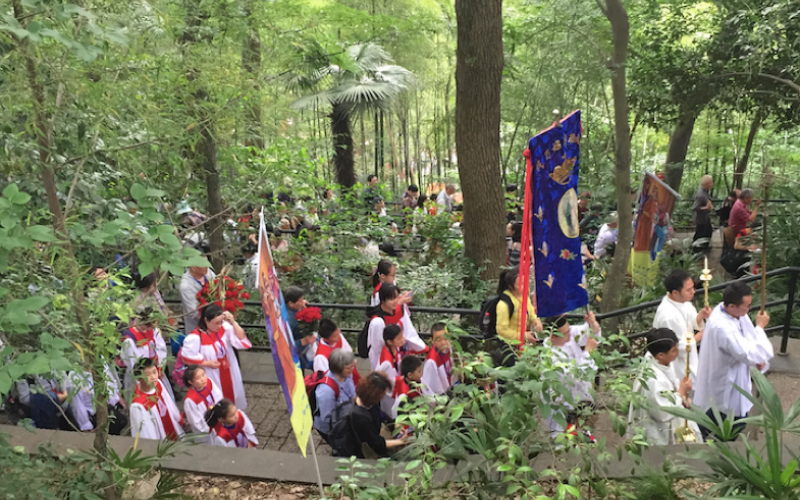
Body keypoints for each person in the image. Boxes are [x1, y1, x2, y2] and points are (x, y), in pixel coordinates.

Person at [694, 282, 773, 441]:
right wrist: (760, 328)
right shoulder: (724, 328)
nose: (749, 310)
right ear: (731, 306)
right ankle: (719, 447)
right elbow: (746, 353)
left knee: (717, 412)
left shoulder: (724, 310)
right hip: (727, 376)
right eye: (746, 306)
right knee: (734, 420)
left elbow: (746, 334)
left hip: (729, 371)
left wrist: (758, 357)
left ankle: (694, 436)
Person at [627, 328, 702, 445]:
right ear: (661, 355)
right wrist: (681, 393)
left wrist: (682, 399)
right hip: (657, 429)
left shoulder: (661, 362)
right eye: (673, 350)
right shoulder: (652, 379)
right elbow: (661, 411)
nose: (677, 352)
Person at [542, 313, 601, 439]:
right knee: (564, 438)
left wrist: (592, 322)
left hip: (581, 399)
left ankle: (583, 432)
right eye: (565, 334)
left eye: (568, 331)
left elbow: (590, 332)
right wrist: (587, 353)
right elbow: (574, 377)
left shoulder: (569, 334)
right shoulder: (550, 356)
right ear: (553, 336)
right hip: (563, 402)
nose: (569, 335)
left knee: (585, 426)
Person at [181, 305, 251, 410]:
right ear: (206, 320)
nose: (219, 326)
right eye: (216, 323)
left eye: (221, 322)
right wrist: (207, 364)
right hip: (211, 372)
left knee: (234, 391)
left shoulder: (224, 328)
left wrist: (233, 322)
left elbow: (241, 338)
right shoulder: (195, 338)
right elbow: (186, 358)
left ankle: (234, 414)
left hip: (229, 368)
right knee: (217, 396)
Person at [652, 269, 712, 382]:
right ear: (675, 292)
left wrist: (700, 316)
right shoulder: (667, 315)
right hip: (677, 362)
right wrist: (700, 335)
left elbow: (690, 322)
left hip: (689, 356)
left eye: (693, 288)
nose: (693, 292)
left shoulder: (684, 302)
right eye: (689, 290)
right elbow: (677, 346)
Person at [330, 371, 407, 458]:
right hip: (363, 447)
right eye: (382, 394)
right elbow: (376, 443)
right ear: (375, 395)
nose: (384, 396)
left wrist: (395, 424)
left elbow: (381, 416)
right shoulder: (361, 417)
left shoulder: (368, 401)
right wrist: (401, 441)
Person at [366, 283, 425, 371]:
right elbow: (377, 348)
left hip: (395, 352)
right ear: (383, 300)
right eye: (391, 298)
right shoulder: (377, 322)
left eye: (397, 297)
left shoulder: (394, 310)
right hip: (384, 358)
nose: (396, 301)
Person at [120, 308, 173, 400]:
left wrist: (160, 366)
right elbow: (134, 362)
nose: (152, 329)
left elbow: (160, 346)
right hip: (141, 374)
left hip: (155, 370)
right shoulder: (130, 338)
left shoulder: (152, 329)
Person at [129, 359, 184, 441]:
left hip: (169, 425)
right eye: (147, 374)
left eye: (154, 372)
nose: (153, 377)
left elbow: (169, 402)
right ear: (139, 378)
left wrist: (178, 418)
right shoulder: (138, 405)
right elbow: (144, 432)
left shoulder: (158, 383)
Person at [65, 366, 126, 435]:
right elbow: (78, 407)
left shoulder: (100, 363)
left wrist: (117, 395)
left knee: (124, 422)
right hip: (94, 415)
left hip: (111, 406)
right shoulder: (74, 380)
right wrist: (87, 427)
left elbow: (111, 381)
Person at [314, 349, 357, 438]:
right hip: (334, 427)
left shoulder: (347, 375)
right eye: (349, 367)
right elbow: (327, 418)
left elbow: (352, 394)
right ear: (339, 368)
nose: (352, 369)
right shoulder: (326, 391)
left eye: (353, 366)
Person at [495, 267, 541, 345]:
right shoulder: (504, 305)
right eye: (520, 284)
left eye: (525, 282)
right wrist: (524, 336)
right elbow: (501, 331)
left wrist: (535, 320)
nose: (525, 286)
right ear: (510, 287)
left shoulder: (524, 296)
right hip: (509, 345)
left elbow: (530, 311)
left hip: (522, 342)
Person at [182, 365, 223, 443]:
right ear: (191, 382)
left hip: (217, 418)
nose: (203, 379)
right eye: (198, 378)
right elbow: (195, 420)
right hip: (206, 428)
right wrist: (209, 427)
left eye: (203, 374)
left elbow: (218, 396)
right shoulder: (190, 400)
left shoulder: (209, 382)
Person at [313, 319, 359, 384]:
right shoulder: (320, 356)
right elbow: (326, 377)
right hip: (337, 383)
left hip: (350, 374)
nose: (338, 336)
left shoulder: (338, 336)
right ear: (326, 338)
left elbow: (349, 352)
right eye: (334, 336)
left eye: (338, 331)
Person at [284, 286, 317, 370]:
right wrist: (304, 341)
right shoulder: (289, 319)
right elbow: (284, 343)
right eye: (300, 300)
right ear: (291, 303)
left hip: (302, 349)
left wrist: (302, 307)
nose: (303, 302)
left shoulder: (290, 309)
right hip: (297, 351)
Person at [179, 265, 217, 335]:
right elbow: (195, 313)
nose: (207, 266)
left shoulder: (208, 272)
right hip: (198, 329)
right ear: (193, 267)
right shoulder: (185, 286)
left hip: (216, 323)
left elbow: (217, 286)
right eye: (204, 264)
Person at [421, 323, 453, 395]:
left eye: (445, 338)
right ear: (432, 340)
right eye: (438, 340)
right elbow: (428, 387)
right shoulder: (431, 361)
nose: (443, 342)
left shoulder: (449, 348)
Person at [390, 355, 425, 419]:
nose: (421, 373)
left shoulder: (412, 380)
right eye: (419, 371)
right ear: (410, 375)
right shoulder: (405, 394)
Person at [692, 175, 714, 253]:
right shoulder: (701, 194)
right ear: (707, 183)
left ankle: (704, 248)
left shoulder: (705, 191)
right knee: (699, 234)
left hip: (705, 217)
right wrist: (706, 207)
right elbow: (694, 208)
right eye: (711, 182)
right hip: (700, 218)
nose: (712, 184)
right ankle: (695, 250)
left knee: (708, 231)